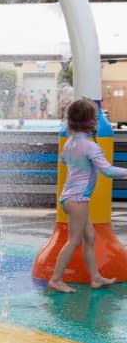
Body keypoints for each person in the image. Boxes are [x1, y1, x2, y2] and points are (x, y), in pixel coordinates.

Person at [48, 98, 127, 293]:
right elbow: (107, 171)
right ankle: (56, 279)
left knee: (89, 237)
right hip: (79, 199)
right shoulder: (91, 146)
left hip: (68, 198)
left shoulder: (69, 143)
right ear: (92, 121)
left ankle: (96, 278)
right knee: (74, 240)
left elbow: (65, 161)